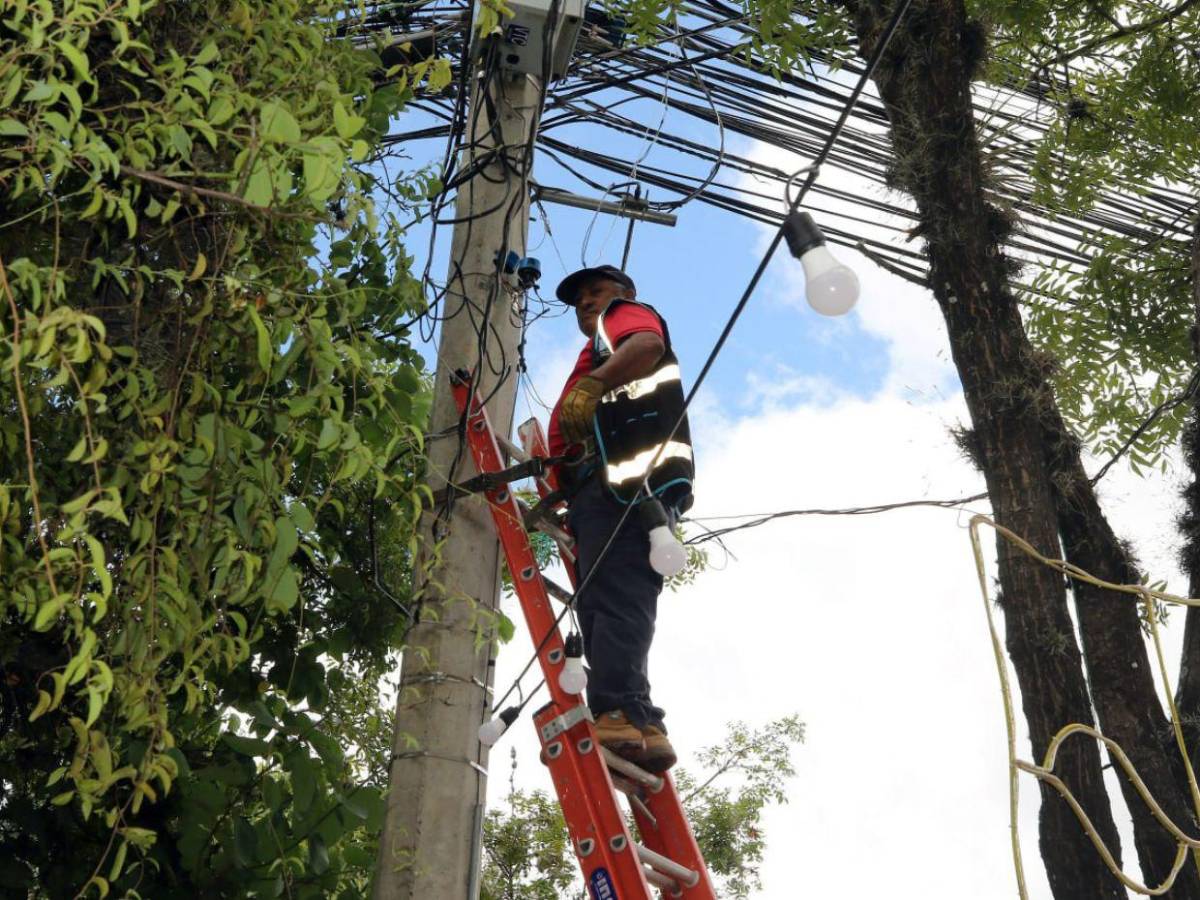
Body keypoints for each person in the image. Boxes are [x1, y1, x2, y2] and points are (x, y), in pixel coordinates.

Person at [548, 264, 694, 773]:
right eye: (579, 300)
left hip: (623, 487)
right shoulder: (602, 344)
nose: (587, 303)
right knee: (622, 599)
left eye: (596, 291)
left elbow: (647, 344)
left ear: (624, 293)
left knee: (612, 598)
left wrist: (592, 385)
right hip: (620, 490)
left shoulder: (622, 320)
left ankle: (616, 710)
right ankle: (642, 721)